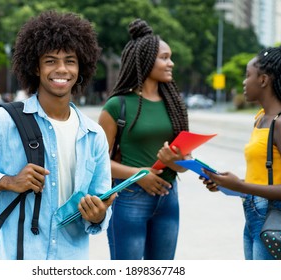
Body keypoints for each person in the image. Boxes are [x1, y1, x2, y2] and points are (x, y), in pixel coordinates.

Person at [0, 10, 115, 260]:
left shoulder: (93, 134)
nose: (61, 69)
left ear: (81, 66)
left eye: (70, 60)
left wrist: (98, 215)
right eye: (51, 61)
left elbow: (100, 204)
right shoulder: (4, 121)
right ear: (35, 66)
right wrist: (7, 181)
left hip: (72, 260)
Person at [98, 18, 190, 260]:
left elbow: (185, 163)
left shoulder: (175, 106)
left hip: (169, 198)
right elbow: (99, 163)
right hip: (130, 199)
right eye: (165, 57)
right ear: (146, 59)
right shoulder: (117, 106)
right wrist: (140, 175)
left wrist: (173, 162)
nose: (171, 63)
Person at [202, 42, 281, 260]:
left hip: (276, 218)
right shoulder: (260, 118)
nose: (244, 82)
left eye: (248, 75)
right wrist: (227, 183)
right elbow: (264, 177)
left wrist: (240, 185)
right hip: (253, 215)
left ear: (264, 80)